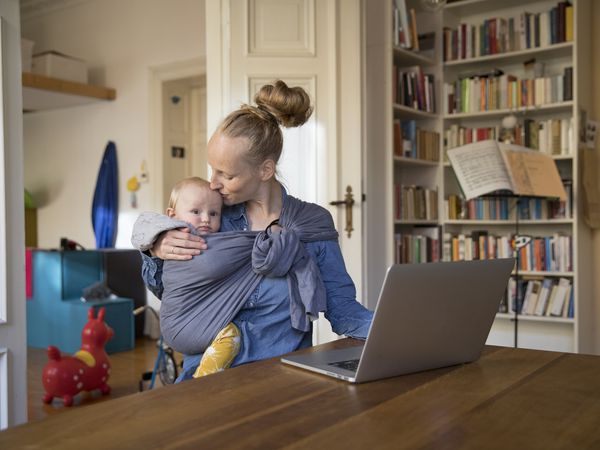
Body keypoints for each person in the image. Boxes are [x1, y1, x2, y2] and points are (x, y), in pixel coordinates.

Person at [137, 80, 373, 382]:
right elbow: (174, 294)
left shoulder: (311, 226)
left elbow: (343, 310)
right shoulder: (214, 219)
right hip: (207, 378)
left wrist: (400, 331)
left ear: (265, 170)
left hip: (280, 379)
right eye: (212, 170)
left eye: (227, 174)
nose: (213, 183)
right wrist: (156, 248)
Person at [162, 176, 241, 378]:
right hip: (184, 323)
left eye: (214, 213)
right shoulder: (181, 243)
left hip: (189, 323)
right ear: (172, 216)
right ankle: (204, 377)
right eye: (196, 212)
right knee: (232, 334)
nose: (206, 219)